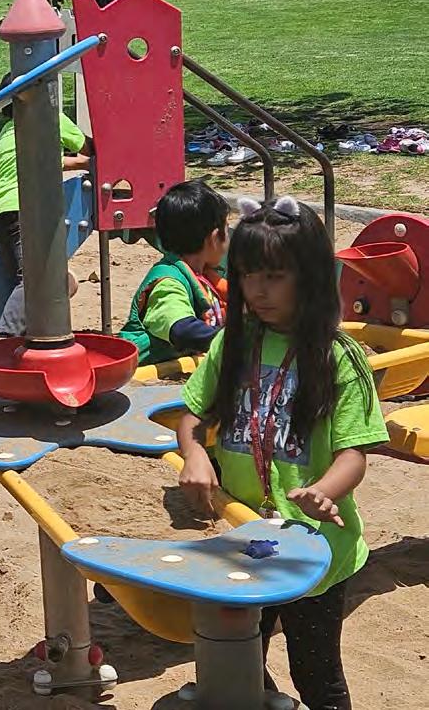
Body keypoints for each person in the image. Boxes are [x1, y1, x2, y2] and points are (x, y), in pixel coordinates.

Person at [175, 196, 387, 710]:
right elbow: (192, 416)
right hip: (243, 537)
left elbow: (354, 453)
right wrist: (194, 454)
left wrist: (322, 491)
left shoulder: (338, 357)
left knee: (316, 674)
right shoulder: (233, 343)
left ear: (309, 277)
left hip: (314, 550)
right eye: (247, 275)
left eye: (274, 276)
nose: (258, 290)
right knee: (240, 658)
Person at [0, 73, 93, 336]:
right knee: (33, 280)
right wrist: (89, 160)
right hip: (26, 207)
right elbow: (88, 149)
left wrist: (71, 162)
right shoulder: (50, 118)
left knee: (59, 281)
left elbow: (40, 160)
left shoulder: (7, 131)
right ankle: (5, 336)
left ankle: (28, 337)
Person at [120, 180, 230, 362]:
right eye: (226, 229)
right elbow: (183, 330)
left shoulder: (204, 276)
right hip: (145, 376)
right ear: (214, 238)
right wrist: (234, 342)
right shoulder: (168, 283)